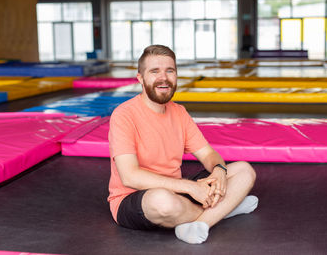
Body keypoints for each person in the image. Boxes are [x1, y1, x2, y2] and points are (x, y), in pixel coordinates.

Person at [108, 44, 258, 244]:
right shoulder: (123, 115)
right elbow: (130, 176)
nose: (164, 78)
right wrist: (190, 187)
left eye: (170, 71)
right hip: (135, 199)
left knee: (244, 170)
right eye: (155, 71)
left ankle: (202, 222)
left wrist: (220, 170)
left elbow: (208, 155)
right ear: (140, 78)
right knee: (162, 201)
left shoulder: (179, 112)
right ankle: (224, 209)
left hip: (178, 191)